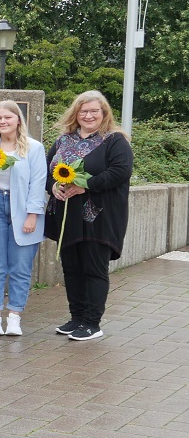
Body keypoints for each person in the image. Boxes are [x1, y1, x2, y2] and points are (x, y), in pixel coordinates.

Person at [45, 91, 133, 341]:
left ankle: (92, 323)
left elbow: (120, 171)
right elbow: (47, 169)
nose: (89, 115)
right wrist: (52, 186)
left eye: (94, 110)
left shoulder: (115, 140)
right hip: (66, 216)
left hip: (99, 217)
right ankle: (77, 318)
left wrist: (87, 186)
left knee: (94, 269)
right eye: (83, 111)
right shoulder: (64, 140)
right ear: (76, 114)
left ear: (104, 113)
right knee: (72, 268)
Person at [0, 100, 47, 337]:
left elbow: (38, 183)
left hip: (23, 209)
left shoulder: (33, 148)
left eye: (8, 117)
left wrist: (32, 215)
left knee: (20, 267)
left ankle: (15, 317)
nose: (3, 121)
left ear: (18, 119)